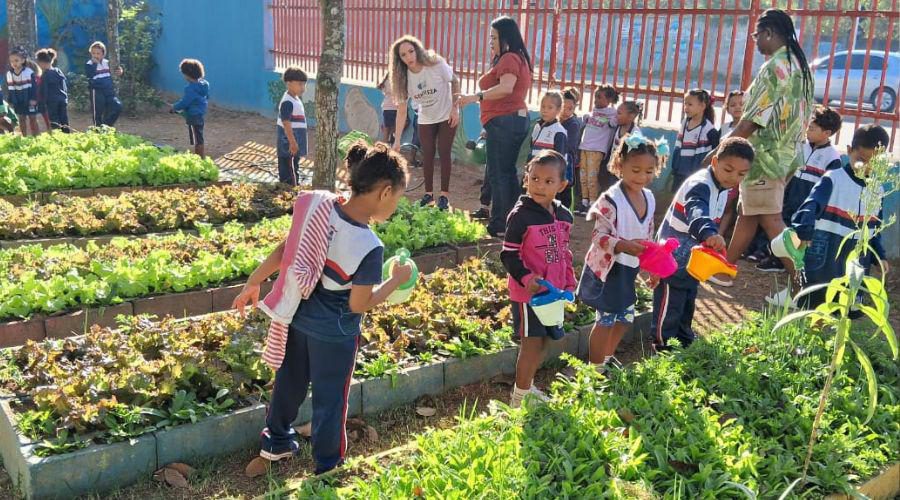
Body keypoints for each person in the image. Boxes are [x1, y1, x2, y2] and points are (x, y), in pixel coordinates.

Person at [232, 142, 414, 475]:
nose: (396, 206)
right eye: (399, 198)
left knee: (288, 384)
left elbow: (286, 251)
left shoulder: (321, 209)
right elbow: (360, 303)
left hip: (298, 318)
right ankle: (328, 464)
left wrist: (253, 282)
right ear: (385, 192)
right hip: (335, 335)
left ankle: (276, 444)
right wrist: (395, 281)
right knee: (331, 399)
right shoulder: (370, 246)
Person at [722, 9, 814, 284]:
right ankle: (724, 270)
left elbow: (751, 121)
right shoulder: (799, 65)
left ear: (769, 33)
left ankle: (802, 281)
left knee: (772, 220)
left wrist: (723, 149)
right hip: (786, 156)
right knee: (750, 212)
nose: (755, 41)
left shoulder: (775, 68)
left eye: (756, 35)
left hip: (765, 156)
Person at [651, 137, 754, 350]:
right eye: (728, 170)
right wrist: (709, 233)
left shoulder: (722, 188)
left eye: (741, 174)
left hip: (692, 253)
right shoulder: (700, 184)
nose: (733, 177)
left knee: (688, 294)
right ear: (715, 163)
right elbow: (696, 210)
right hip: (673, 251)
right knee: (671, 298)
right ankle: (663, 345)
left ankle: (683, 338)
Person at [579, 133, 667, 371]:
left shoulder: (649, 197)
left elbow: (648, 237)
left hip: (629, 270)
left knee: (625, 319)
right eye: (636, 169)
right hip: (609, 271)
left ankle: (607, 357)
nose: (642, 176)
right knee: (605, 320)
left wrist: (652, 267)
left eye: (649, 171)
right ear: (620, 166)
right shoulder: (610, 199)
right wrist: (623, 245)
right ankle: (595, 369)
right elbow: (598, 237)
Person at [784, 125, 888, 310]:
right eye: (862, 160)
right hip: (826, 251)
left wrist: (880, 256)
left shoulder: (878, 190)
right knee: (817, 298)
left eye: (874, 163)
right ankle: (810, 330)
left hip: (857, 257)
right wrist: (805, 232)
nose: (866, 167)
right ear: (849, 151)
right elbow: (809, 207)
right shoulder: (833, 179)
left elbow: (875, 229)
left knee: (847, 304)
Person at [501, 150, 575, 408]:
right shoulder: (520, 216)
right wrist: (527, 278)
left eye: (548, 181)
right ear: (526, 179)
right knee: (531, 344)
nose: (539, 186)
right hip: (528, 295)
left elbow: (564, 252)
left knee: (545, 342)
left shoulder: (564, 215)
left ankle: (527, 387)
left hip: (552, 294)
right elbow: (508, 254)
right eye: (534, 178)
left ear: (562, 185)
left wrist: (568, 282)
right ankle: (519, 400)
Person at [456, 16, 533, 237]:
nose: (490, 41)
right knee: (505, 172)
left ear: (506, 37)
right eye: (490, 37)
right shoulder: (517, 58)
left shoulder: (509, 58)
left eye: (494, 37)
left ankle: (501, 223)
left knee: (501, 174)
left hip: (505, 121)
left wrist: (475, 97)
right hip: (507, 121)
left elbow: (506, 88)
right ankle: (511, 220)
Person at [758, 105, 843, 277]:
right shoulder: (803, 146)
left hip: (808, 201)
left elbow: (831, 186)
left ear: (826, 133)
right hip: (791, 195)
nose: (807, 131)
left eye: (812, 129)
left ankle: (793, 264)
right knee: (784, 225)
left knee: (797, 231)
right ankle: (777, 259)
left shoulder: (832, 157)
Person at [389, 35, 460, 210]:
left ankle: (444, 196)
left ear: (417, 50)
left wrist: (455, 108)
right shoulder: (403, 77)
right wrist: (397, 140)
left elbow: (455, 81)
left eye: (411, 52)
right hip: (426, 117)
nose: (408, 57)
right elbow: (402, 110)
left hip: (447, 114)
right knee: (427, 154)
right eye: (403, 55)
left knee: (444, 152)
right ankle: (429, 196)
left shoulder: (434, 63)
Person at [578, 84, 619, 212]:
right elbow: (586, 118)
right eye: (595, 96)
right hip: (585, 147)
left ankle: (593, 203)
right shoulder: (593, 112)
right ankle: (584, 201)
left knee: (592, 177)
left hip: (596, 150)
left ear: (609, 100)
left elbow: (614, 123)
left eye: (599, 97)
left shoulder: (612, 115)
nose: (595, 100)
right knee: (583, 176)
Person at [670, 88, 720, 192]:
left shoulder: (709, 130)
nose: (686, 108)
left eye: (690, 104)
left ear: (702, 106)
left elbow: (715, 152)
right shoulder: (685, 123)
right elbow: (679, 146)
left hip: (696, 175)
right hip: (680, 172)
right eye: (685, 104)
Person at [528, 91, 569, 206]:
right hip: (537, 175)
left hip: (549, 178)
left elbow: (559, 159)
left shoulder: (558, 131)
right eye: (543, 106)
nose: (545, 110)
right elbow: (532, 150)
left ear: (558, 110)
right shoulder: (537, 126)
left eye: (550, 107)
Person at [275, 67, 309, 185]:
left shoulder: (295, 99)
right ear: (289, 83)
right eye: (299, 84)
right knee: (290, 171)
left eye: (304, 84)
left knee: (292, 167)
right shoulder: (288, 102)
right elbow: (286, 123)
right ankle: (290, 190)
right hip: (289, 145)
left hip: (291, 144)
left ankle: (287, 189)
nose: (303, 88)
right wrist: (293, 143)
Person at [171, 58, 209, 158]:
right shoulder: (204, 85)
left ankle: (199, 158)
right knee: (198, 135)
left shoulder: (190, 88)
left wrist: (174, 107)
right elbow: (205, 97)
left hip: (194, 114)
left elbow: (185, 102)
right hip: (200, 113)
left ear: (187, 74)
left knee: (198, 138)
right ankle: (199, 156)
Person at [85, 41, 124, 127]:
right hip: (97, 91)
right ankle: (98, 130)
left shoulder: (108, 63)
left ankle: (105, 126)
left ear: (103, 54)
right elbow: (89, 74)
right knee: (97, 112)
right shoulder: (89, 64)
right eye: (93, 53)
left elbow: (116, 71)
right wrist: (95, 64)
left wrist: (120, 71)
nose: (95, 55)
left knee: (117, 106)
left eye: (98, 53)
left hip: (109, 91)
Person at [560, 87, 584, 213]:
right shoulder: (554, 121)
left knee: (564, 193)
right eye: (563, 107)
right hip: (556, 162)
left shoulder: (573, 124)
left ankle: (565, 221)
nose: (566, 111)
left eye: (570, 109)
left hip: (566, 163)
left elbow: (569, 146)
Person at [6, 47, 39, 136]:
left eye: (16, 60)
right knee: (21, 119)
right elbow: (11, 89)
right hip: (18, 100)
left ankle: (36, 137)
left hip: (29, 99)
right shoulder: (9, 74)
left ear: (23, 60)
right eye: (12, 61)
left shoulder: (29, 72)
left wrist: (33, 99)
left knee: (32, 118)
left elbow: (34, 87)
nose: (14, 63)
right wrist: (11, 101)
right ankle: (24, 137)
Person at [35, 48, 69, 133]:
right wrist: (65, 98)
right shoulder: (58, 71)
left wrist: (41, 103)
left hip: (51, 102)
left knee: (54, 121)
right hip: (62, 99)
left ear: (41, 63)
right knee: (64, 119)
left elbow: (44, 91)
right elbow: (64, 86)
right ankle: (67, 136)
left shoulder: (45, 75)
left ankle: (57, 138)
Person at [377, 73, 400, 143]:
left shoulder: (386, 80)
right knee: (394, 130)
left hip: (386, 107)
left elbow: (384, 91)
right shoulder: (399, 80)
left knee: (386, 130)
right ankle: (392, 147)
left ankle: (383, 148)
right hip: (396, 107)